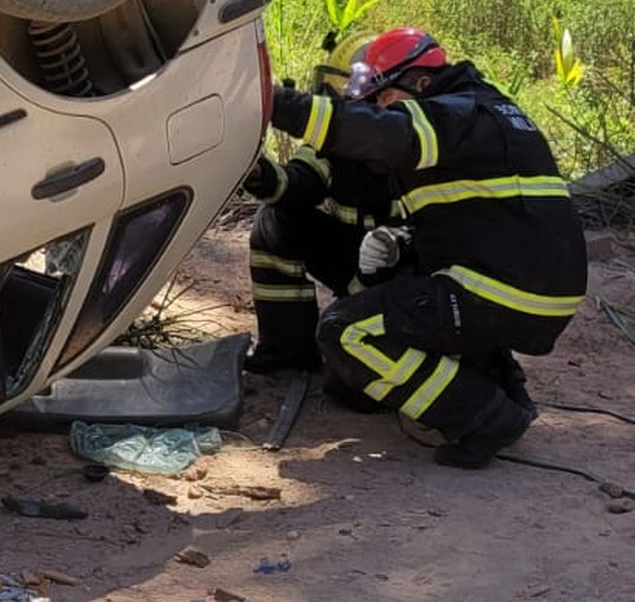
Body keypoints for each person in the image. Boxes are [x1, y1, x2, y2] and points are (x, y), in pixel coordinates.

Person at [268, 26, 588, 468]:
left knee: (345, 331)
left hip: (501, 290)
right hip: (527, 288)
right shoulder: (491, 111)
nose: (380, 109)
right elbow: (474, 217)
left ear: (420, 83)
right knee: (361, 371)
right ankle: (503, 387)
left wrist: (272, 104)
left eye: (385, 99)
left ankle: (485, 418)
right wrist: (400, 245)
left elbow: (382, 135)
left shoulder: (455, 115)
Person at [243, 32, 405, 384]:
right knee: (275, 223)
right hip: (357, 265)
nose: (334, 107)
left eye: (343, 100)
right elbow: (296, 184)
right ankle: (287, 351)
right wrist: (256, 172)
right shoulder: (335, 146)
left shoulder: (425, 149)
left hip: (410, 279)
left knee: (351, 391)